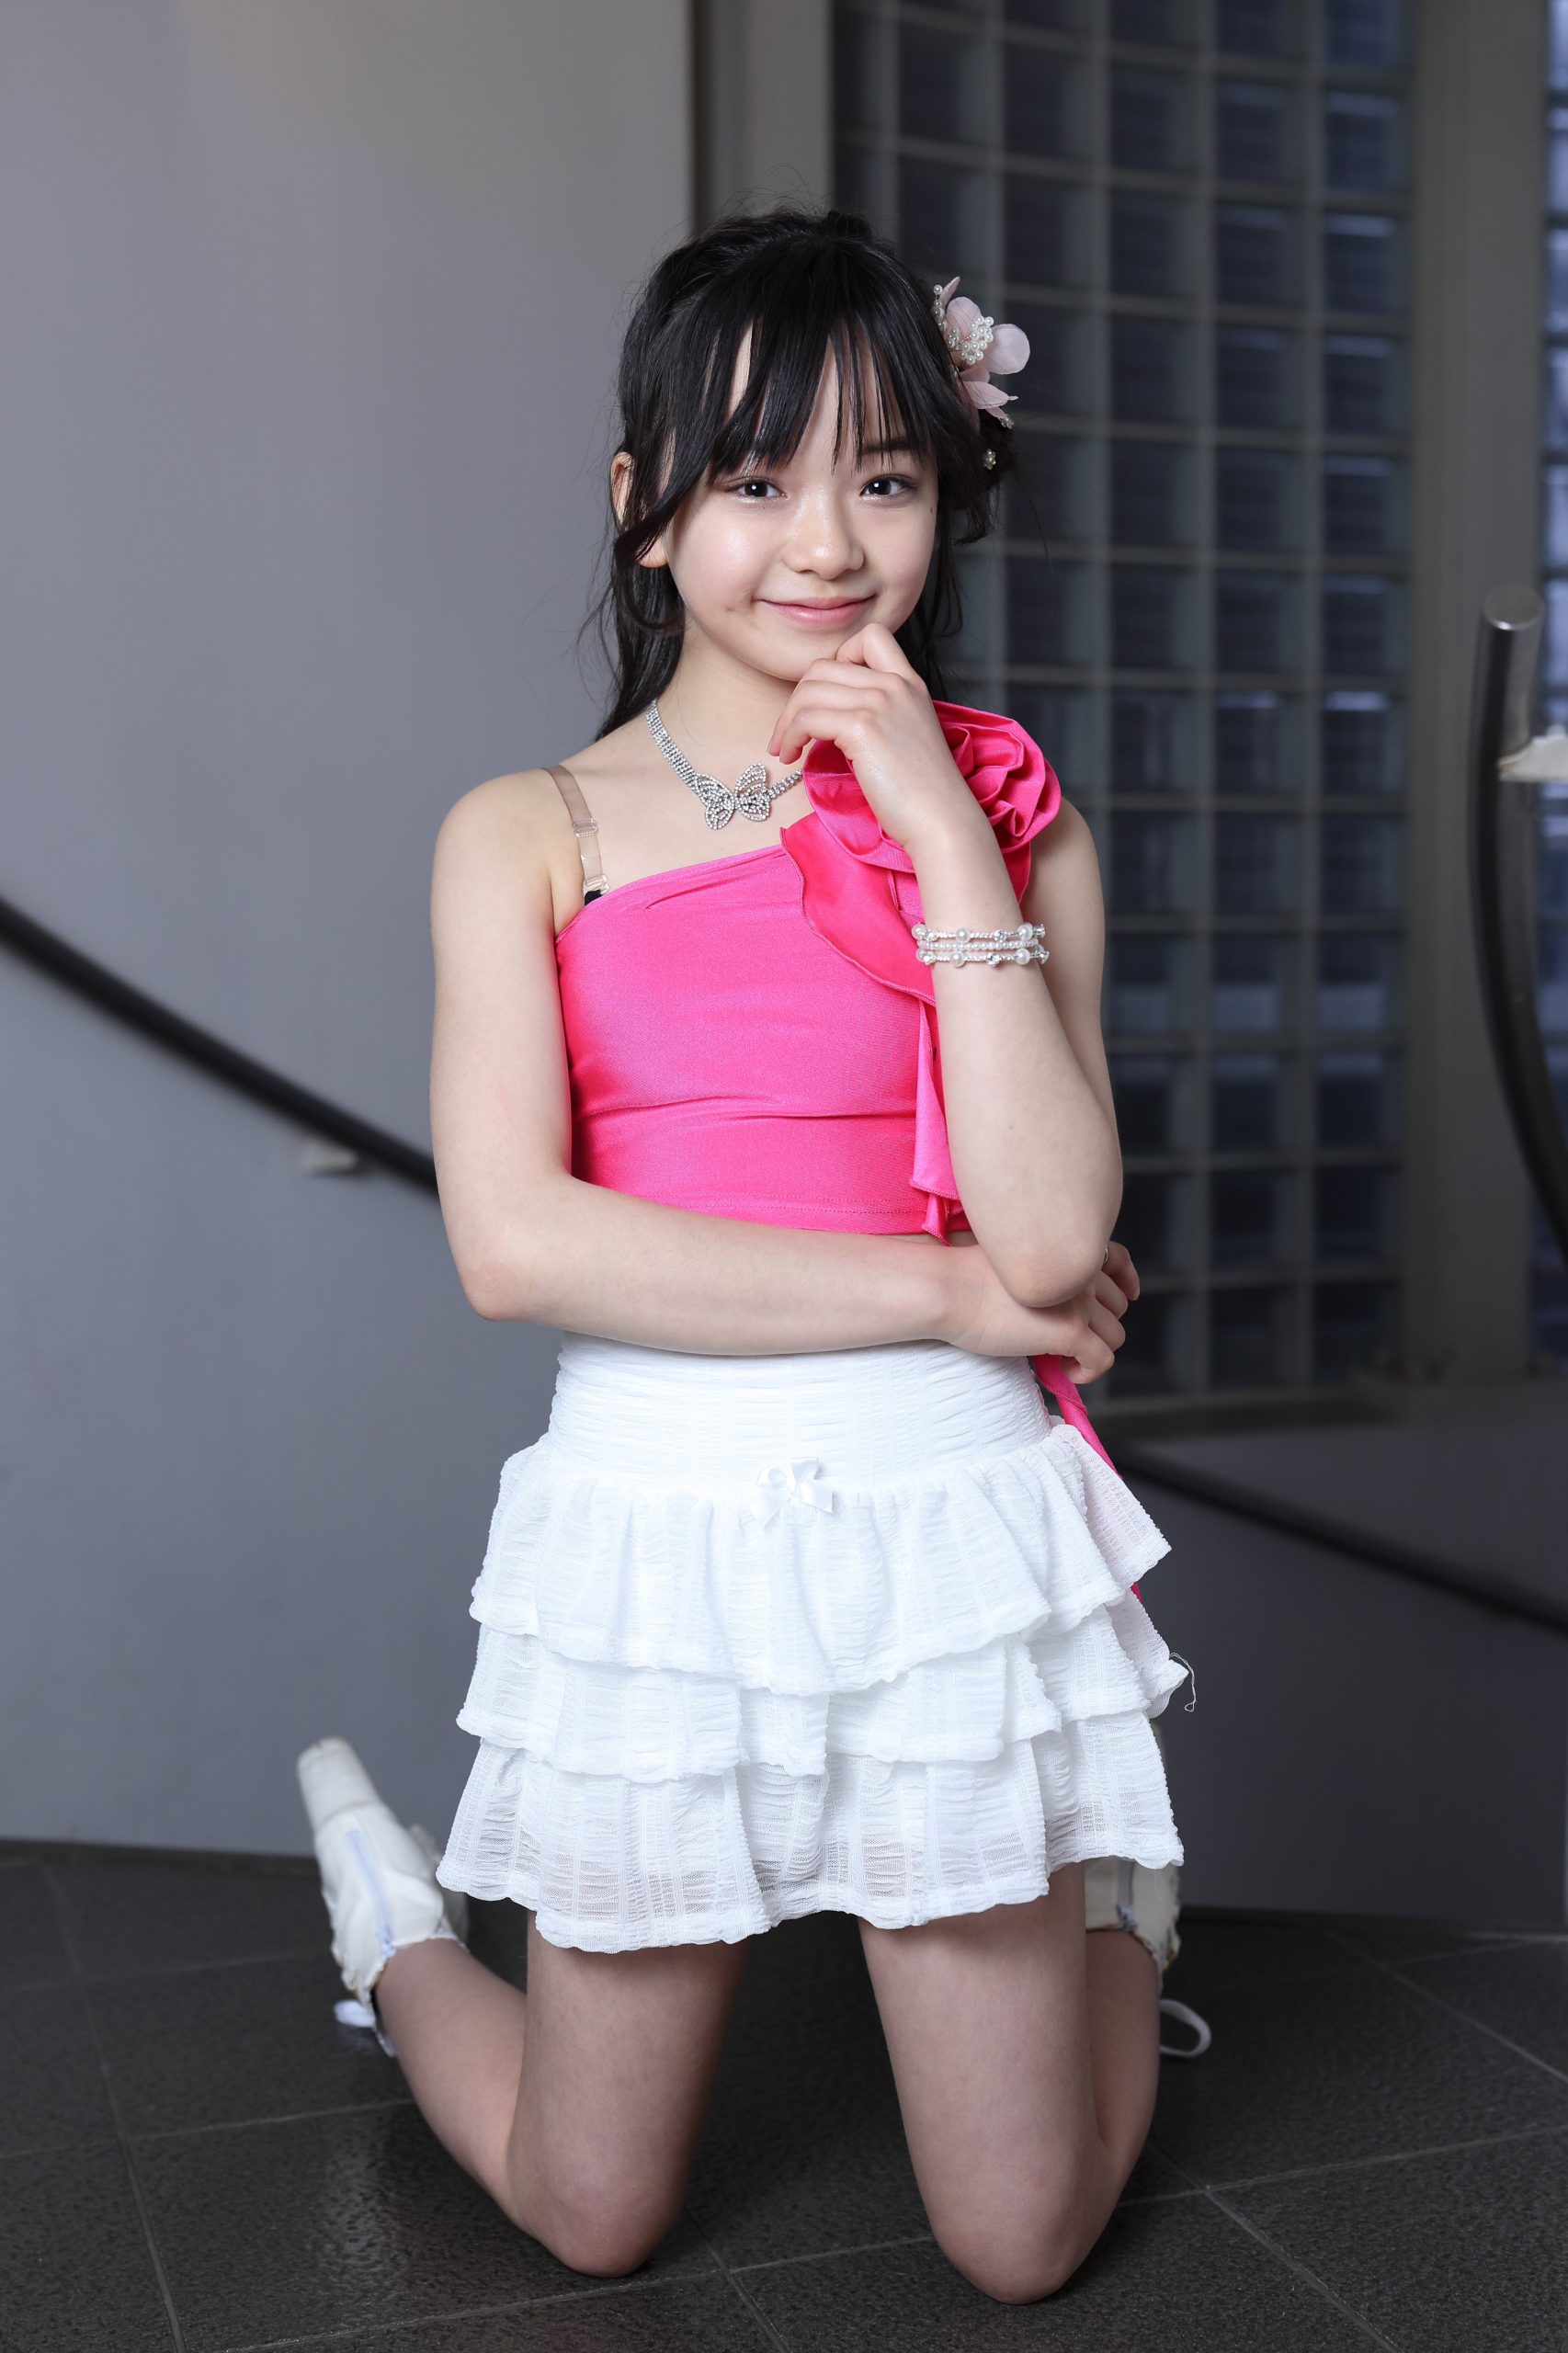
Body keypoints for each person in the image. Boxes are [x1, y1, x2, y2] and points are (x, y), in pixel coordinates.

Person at [296, 201, 1210, 2306]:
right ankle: (395, 1923)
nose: (823, 541)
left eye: (882, 477)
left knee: (1018, 2238)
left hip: (950, 1527)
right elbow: (515, 1243)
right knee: (591, 2204)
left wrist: (938, 823)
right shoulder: (523, 830)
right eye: (754, 477)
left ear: (947, 496)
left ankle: (1115, 1906)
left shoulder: (1017, 817)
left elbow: (1056, 1228)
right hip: (658, 1528)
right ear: (646, 510)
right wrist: (948, 1294)